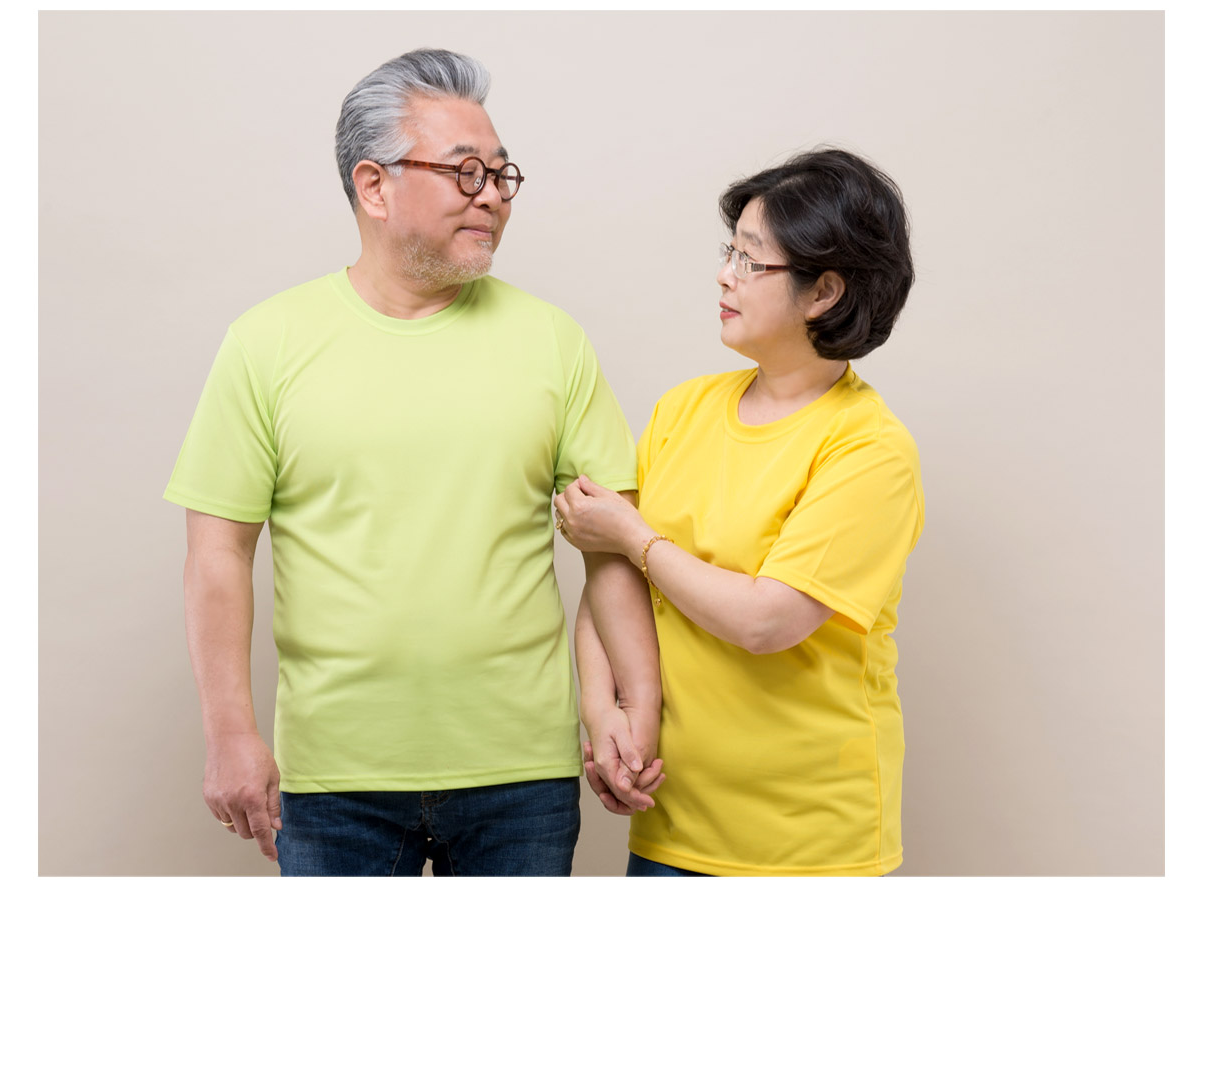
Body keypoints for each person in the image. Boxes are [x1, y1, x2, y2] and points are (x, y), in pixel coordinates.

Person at [165, 49, 662, 876]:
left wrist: (622, 705)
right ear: (374, 185)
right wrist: (229, 734)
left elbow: (612, 548)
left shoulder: (553, 340)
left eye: (501, 174)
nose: (493, 196)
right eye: (466, 172)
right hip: (334, 778)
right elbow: (217, 553)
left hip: (522, 774)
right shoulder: (265, 344)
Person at [555, 148, 923, 876]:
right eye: (730, 252)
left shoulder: (870, 449)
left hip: (808, 843)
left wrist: (634, 536)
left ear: (824, 292)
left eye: (751, 261)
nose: (725, 275)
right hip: (671, 820)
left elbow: (766, 621)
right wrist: (604, 714)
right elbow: (610, 583)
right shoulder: (683, 409)